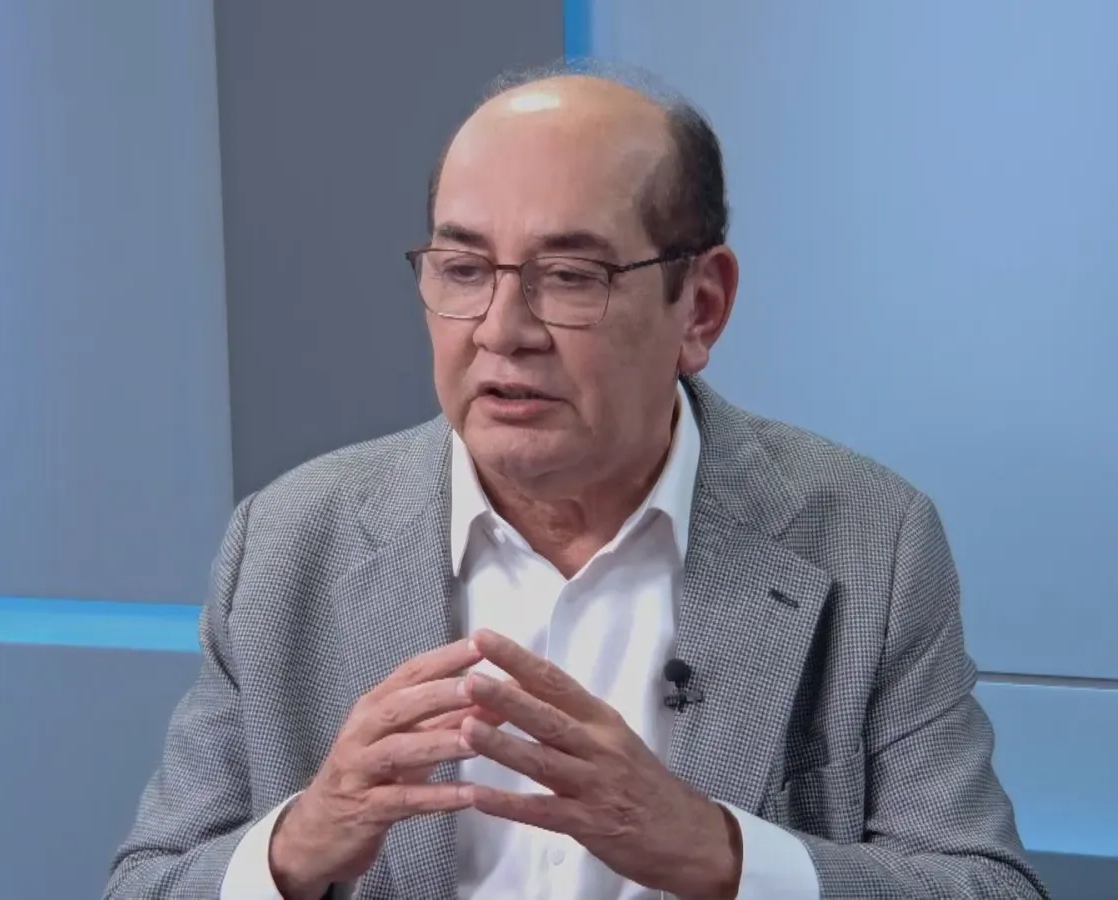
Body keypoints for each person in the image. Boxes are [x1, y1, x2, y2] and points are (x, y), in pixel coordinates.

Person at [105, 64, 1048, 900]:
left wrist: (723, 856)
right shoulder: (286, 543)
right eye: (463, 269)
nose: (500, 330)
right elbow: (147, 885)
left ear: (701, 307)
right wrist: (297, 846)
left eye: (568, 275)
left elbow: (984, 885)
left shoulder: (870, 540)